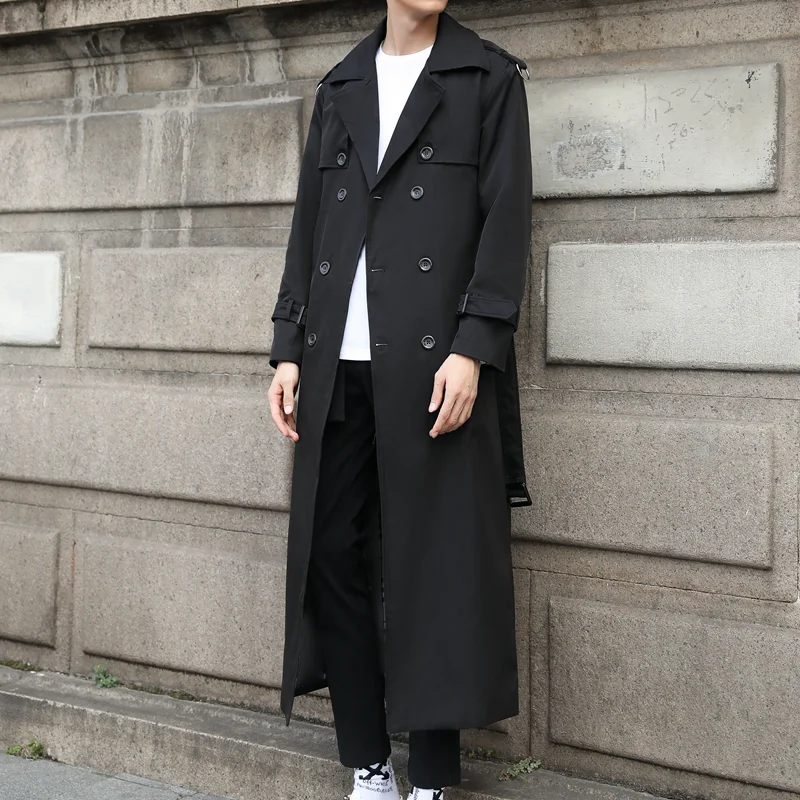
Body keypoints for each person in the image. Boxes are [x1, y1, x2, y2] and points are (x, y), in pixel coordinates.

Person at [267, 1, 533, 798]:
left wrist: (474, 346)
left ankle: (433, 777)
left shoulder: (487, 79)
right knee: (330, 554)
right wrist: (287, 345)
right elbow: (309, 225)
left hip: (432, 364)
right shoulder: (342, 86)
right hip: (336, 363)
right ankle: (369, 761)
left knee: (434, 559)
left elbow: (506, 221)